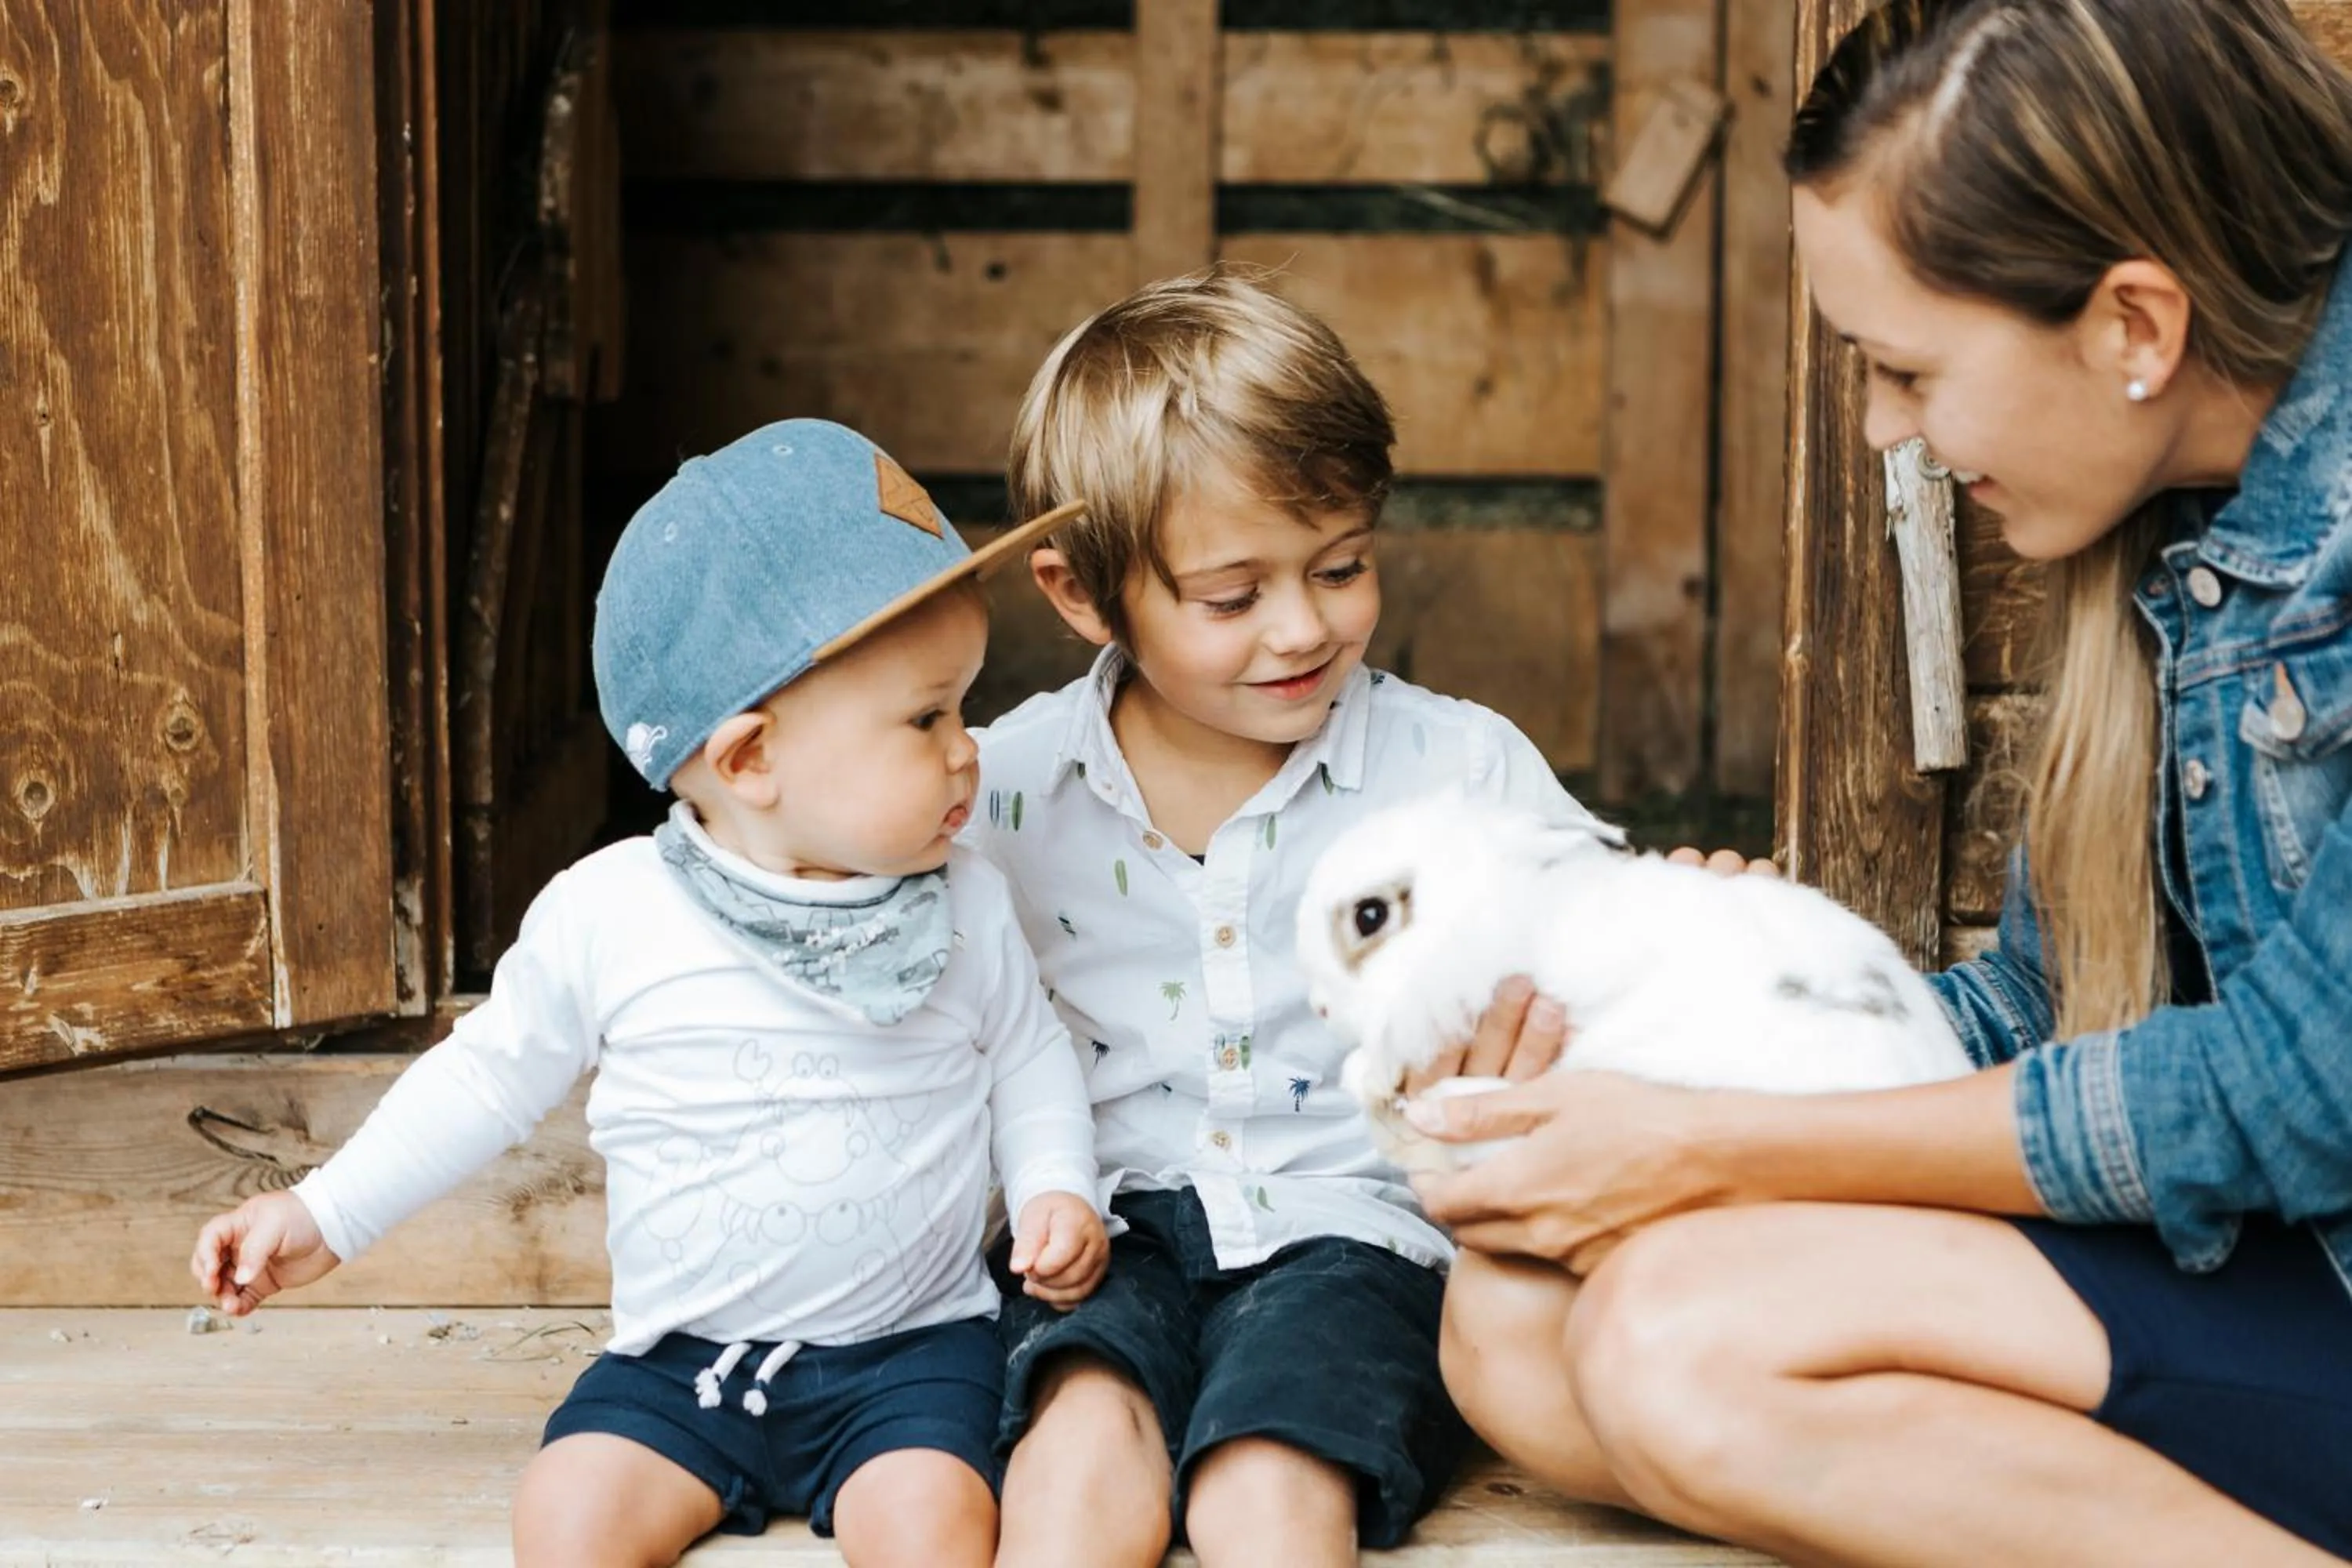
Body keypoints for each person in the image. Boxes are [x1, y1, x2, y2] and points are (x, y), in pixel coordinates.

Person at [1412, 2, 2352, 1562]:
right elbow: (2051, 1015)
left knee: (1682, 1347)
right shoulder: (2173, 522)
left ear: (2135, 325)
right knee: (1511, 1326)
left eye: (1906, 369)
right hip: (2261, 1263)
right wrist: (1719, 1017)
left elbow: (2300, 1099)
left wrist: (1705, 1148)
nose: (1877, 428)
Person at [189, 420, 1109, 1568]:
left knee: (935, 1528)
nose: (968, 750)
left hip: (911, 1356)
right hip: (683, 1363)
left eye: (965, 708)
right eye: (926, 719)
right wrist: (325, 1214)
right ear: (750, 761)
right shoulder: (614, 914)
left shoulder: (962, 905)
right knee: (565, 1516)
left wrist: (1055, 1189)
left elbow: (1030, 1060)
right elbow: (484, 1080)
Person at [963, 267, 1605, 1568]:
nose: (1304, 628)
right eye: (1232, 597)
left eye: (1342, 567)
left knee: (1268, 1488)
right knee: (1077, 1451)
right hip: (1105, 1226)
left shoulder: (1455, 769)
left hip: (1355, 1233)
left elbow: (1605, 949)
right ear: (1082, 595)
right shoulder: (1005, 787)